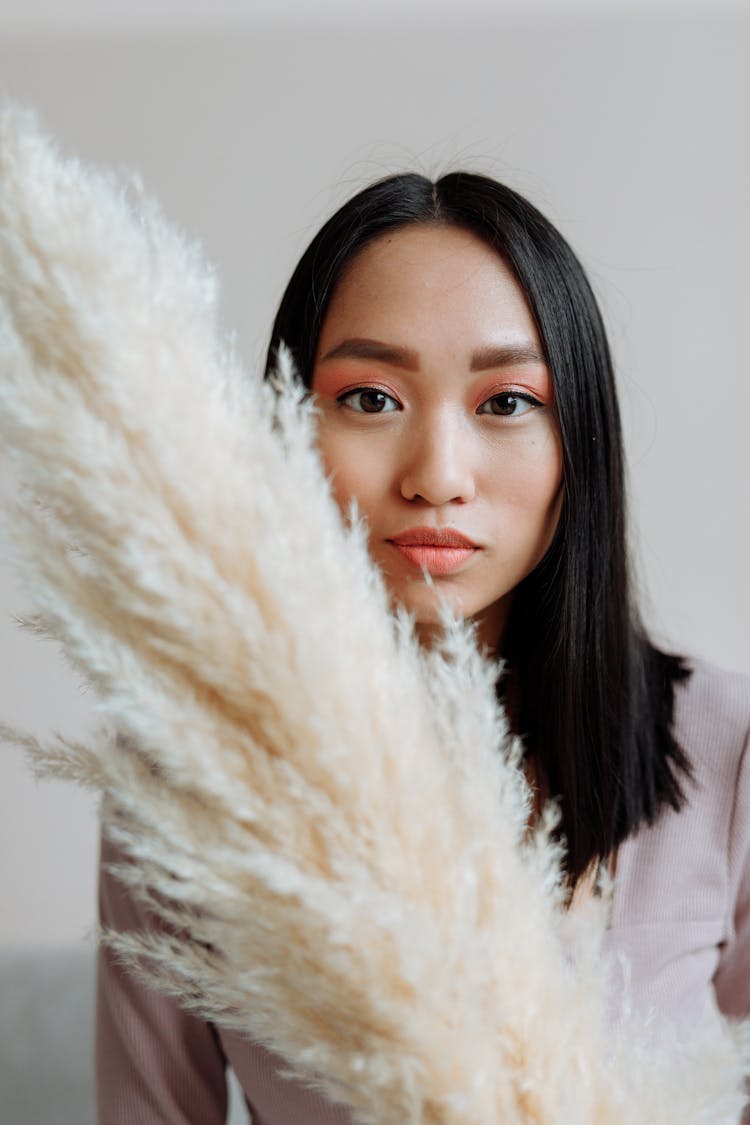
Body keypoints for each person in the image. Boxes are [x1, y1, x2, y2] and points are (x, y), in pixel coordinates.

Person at [96, 172, 750, 1124]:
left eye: (506, 402)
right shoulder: (181, 775)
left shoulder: (728, 749)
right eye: (369, 396)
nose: (438, 474)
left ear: (582, 440)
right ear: (286, 421)